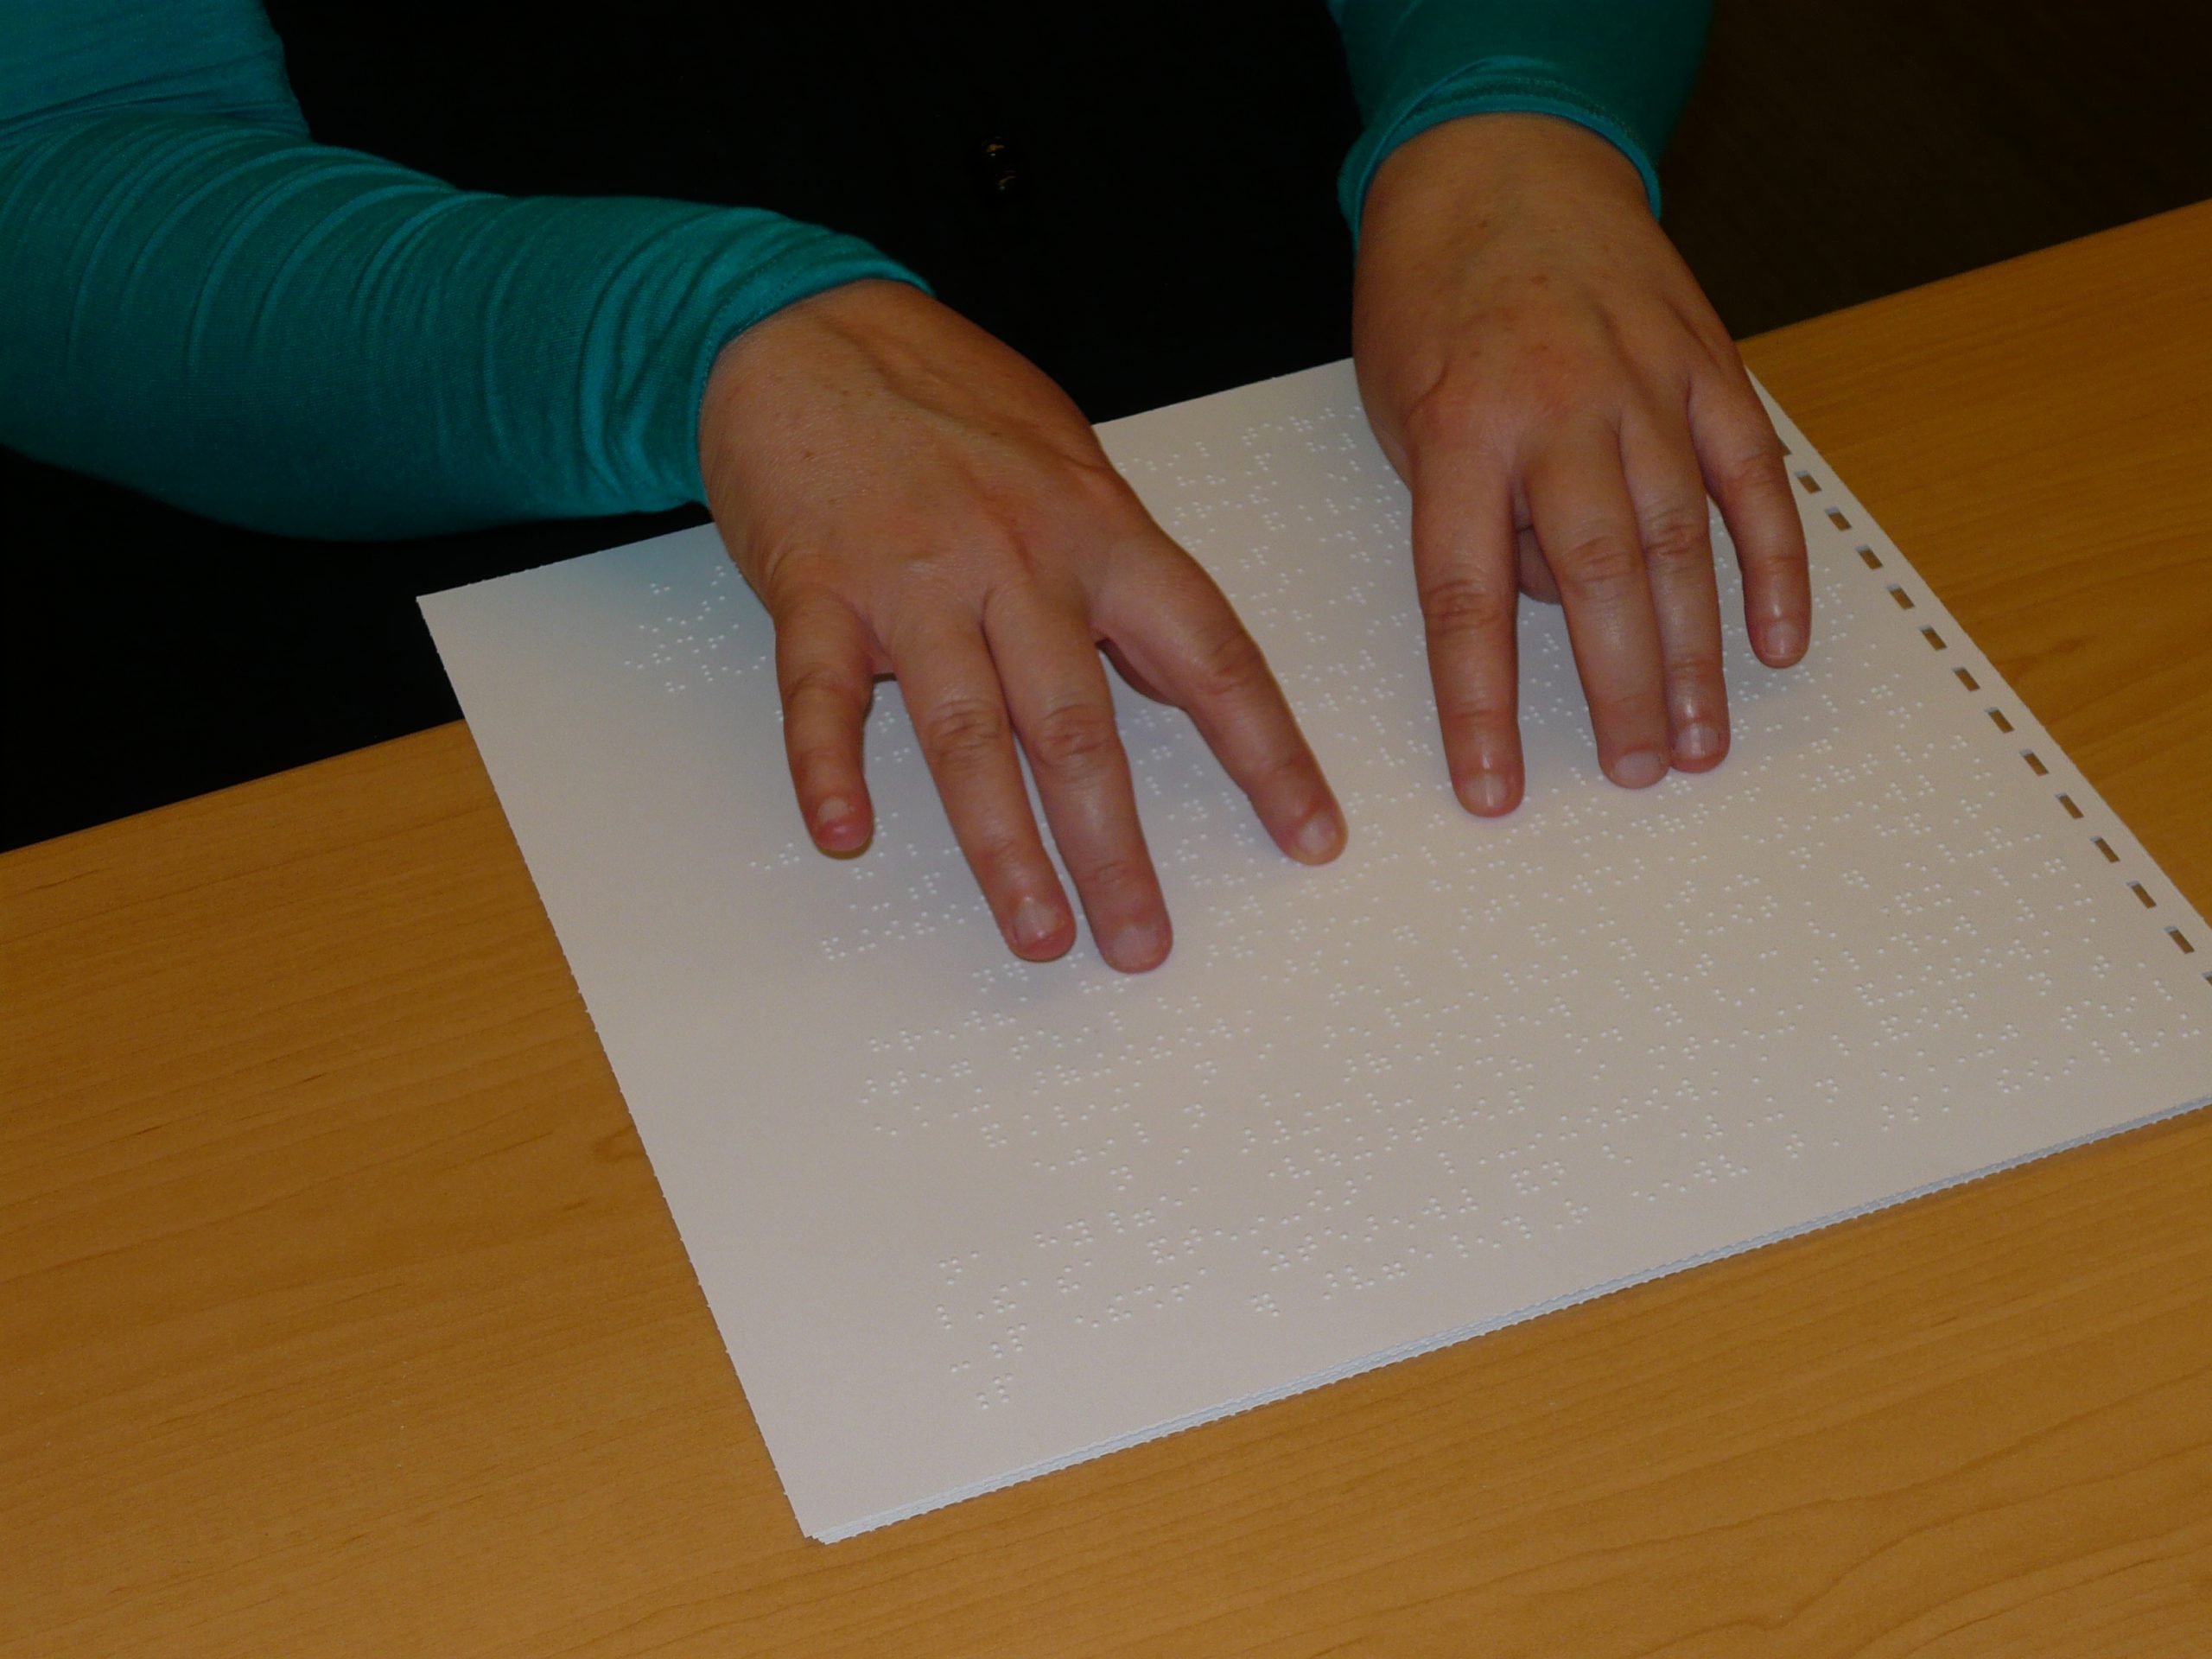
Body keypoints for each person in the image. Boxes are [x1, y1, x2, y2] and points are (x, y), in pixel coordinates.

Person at [1, 0, 1808, 971]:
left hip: (1292, 421)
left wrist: (1511, 100)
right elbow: (52, 156)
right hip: (439, 575)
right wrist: (672, 334)